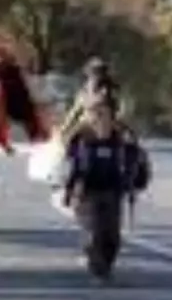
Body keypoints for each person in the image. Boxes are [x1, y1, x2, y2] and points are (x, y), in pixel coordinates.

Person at [62, 92, 151, 283]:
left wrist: (136, 183)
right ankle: (97, 266)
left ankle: (107, 265)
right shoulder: (81, 139)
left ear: (112, 116)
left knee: (112, 235)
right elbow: (74, 167)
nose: (99, 119)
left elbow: (137, 163)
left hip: (113, 191)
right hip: (88, 192)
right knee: (94, 232)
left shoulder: (123, 140)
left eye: (104, 114)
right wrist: (69, 192)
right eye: (95, 115)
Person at [58, 56, 122, 146]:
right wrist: (63, 129)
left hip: (105, 125)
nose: (98, 75)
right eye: (96, 72)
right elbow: (74, 112)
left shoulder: (110, 90)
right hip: (90, 125)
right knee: (69, 138)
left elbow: (120, 110)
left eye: (100, 71)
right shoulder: (85, 92)